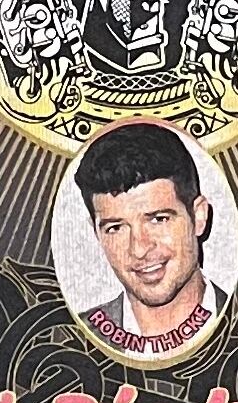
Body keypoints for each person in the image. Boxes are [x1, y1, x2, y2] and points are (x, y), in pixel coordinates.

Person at [70, 120, 226, 361]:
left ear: (199, 217)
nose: (139, 248)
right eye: (116, 228)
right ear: (96, 234)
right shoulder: (69, 343)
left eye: (158, 219)